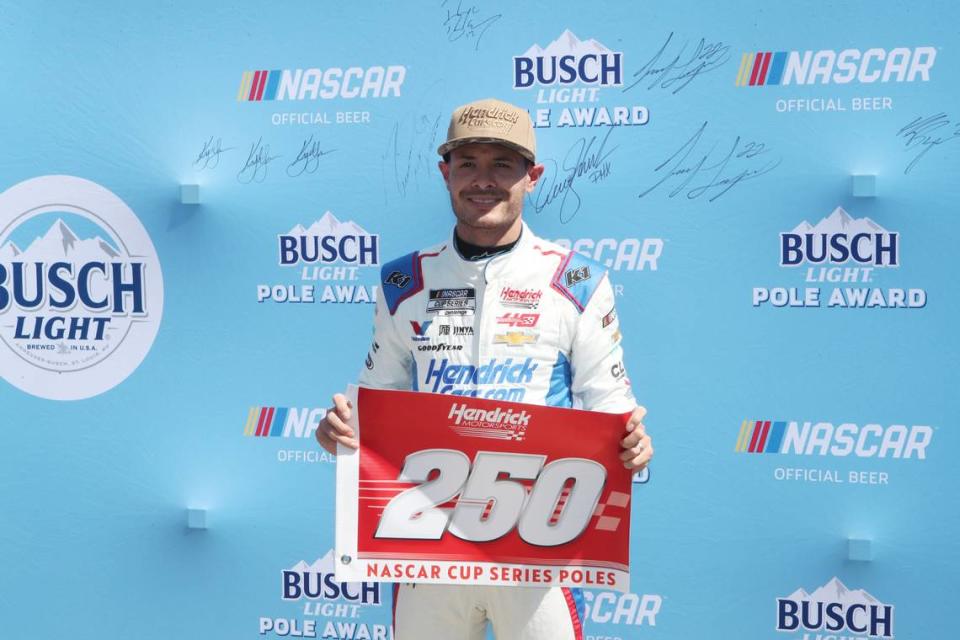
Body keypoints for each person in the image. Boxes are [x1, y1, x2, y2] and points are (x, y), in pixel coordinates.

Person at [316, 97, 653, 640]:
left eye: (503, 164)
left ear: (532, 176)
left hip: (537, 545)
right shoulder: (404, 282)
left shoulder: (577, 280)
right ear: (445, 173)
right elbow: (372, 404)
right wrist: (338, 433)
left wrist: (634, 448)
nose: (483, 180)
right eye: (468, 163)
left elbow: (612, 409)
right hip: (427, 547)